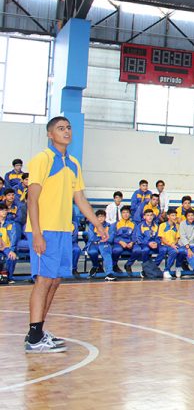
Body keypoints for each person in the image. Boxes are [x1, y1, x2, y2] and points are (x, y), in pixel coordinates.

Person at [25, 116, 108, 352]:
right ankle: (33, 338)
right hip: (45, 230)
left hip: (63, 230)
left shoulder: (73, 163)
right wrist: (38, 234)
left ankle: (38, 331)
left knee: (55, 280)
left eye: (69, 127)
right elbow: (32, 200)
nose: (66, 131)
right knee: (43, 280)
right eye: (60, 128)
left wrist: (97, 224)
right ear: (50, 134)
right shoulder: (42, 160)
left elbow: (80, 199)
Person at [86, 209, 116, 281]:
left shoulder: (109, 226)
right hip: (94, 244)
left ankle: (109, 273)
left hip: (105, 243)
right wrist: (100, 238)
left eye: (102, 216)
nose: (101, 218)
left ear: (105, 217)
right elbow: (91, 237)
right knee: (92, 252)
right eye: (99, 217)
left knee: (107, 253)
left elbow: (111, 238)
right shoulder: (92, 225)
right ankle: (95, 266)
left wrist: (101, 240)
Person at [131, 208, 158, 277]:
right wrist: (148, 243)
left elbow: (159, 237)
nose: (150, 217)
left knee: (163, 250)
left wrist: (157, 243)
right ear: (144, 217)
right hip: (144, 244)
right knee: (145, 250)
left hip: (154, 244)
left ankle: (153, 267)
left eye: (151, 215)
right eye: (148, 215)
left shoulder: (156, 225)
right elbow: (138, 238)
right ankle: (146, 269)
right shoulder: (140, 225)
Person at [156, 209, 180, 279]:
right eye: (172, 215)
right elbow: (162, 239)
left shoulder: (177, 226)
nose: (174, 217)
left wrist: (174, 244)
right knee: (163, 251)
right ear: (168, 216)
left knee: (175, 251)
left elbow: (177, 238)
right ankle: (154, 266)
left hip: (172, 245)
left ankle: (166, 270)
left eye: (175, 215)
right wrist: (171, 244)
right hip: (163, 245)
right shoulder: (162, 225)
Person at [111, 207, 135, 273]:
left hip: (130, 243)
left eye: (127, 212)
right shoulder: (115, 224)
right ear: (121, 214)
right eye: (123, 212)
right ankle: (114, 265)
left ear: (130, 214)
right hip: (118, 243)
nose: (125, 214)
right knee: (117, 250)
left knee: (138, 250)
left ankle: (128, 264)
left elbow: (135, 236)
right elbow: (113, 236)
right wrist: (120, 241)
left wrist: (132, 242)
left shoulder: (133, 224)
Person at [1, 206, 18, 284]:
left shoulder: (11, 223)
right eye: (1, 210)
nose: (4, 212)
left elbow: (13, 238)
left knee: (11, 256)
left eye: (5, 210)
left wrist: (11, 250)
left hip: (6, 247)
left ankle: (9, 277)